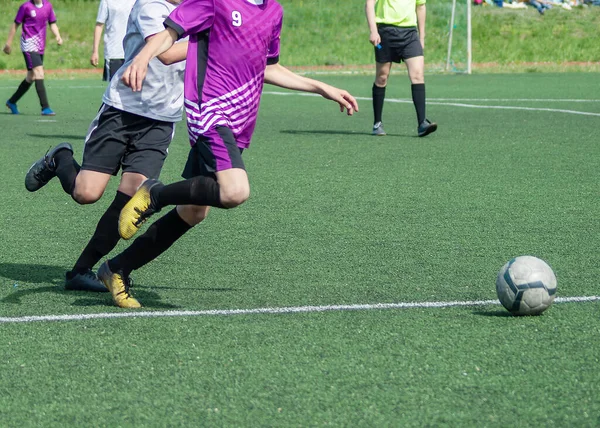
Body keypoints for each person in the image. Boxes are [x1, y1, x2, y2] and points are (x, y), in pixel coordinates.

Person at [94, 0, 359, 309]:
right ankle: (156, 194)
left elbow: (268, 65)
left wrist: (320, 87)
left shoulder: (273, 11)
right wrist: (143, 57)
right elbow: (169, 34)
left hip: (240, 120)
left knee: (194, 211)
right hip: (210, 112)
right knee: (235, 191)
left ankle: (117, 269)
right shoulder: (215, 2)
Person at [23, 0, 188, 292]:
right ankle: (60, 158)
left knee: (129, 204)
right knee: (86, 193)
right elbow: (167, 53)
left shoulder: (201, 11)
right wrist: (216, 42)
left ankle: (81, 271)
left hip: (159, 123)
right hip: (122, 111)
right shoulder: (151, 6)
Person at [365, 0, 437, 137]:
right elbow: (369, 4)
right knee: (382, 77)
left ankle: (422, 123)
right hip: (385, 33)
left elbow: (421, 7)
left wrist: (421, 37)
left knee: (418, 75)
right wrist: (373, 31)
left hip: (410, 34)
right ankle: (377, 123)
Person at [3, 0, 62, 116]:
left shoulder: (48, 6)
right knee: (39, 73)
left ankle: (12, 101)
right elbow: (15, 25)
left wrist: (58, 36)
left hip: (40, 45)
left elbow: (52, 23)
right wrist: (8, 43)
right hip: (28, 44)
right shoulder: (25, 7)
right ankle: (45, 107)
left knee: (31, 77)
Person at [90, 0, 136, 81]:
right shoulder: (106, 1)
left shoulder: (136, 1)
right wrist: (95, 51)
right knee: (113, 88)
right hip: (114, 52)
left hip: (132, 52)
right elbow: (99, 25)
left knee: (132, 87)